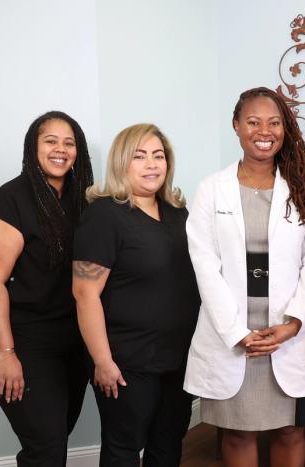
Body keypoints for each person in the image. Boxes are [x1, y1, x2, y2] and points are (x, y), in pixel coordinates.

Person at [184, 86, 305, 467]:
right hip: (233, 332)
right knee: (237, 432)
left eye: (274, 122)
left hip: (287, 333)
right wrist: (236, 333)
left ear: (285, 128)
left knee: (290, 430)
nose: (264, 131)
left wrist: (293, 324)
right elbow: (205, 266)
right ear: (236, 126)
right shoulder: (211, 190)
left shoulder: (304, 189)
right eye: (253, 122)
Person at [0, 110, 94, 466]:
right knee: (46, 443)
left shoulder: (83, 199)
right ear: (32, 147)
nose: (61, 149)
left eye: (69, 142)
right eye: (50, 141)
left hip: (70, 332)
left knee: (59, 430)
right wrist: (5, 353)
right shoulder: (6, 205)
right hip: (19, 333)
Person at [72, 123, 200, 466]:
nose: (152, 164)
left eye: (159, 156)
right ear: (121, 163)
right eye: (140, 156)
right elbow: (85, 294)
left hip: (178, 358)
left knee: (169, 441)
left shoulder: (178, 214)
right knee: (123, 447)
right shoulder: (104, 215)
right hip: (126, 359)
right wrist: (102, 361)